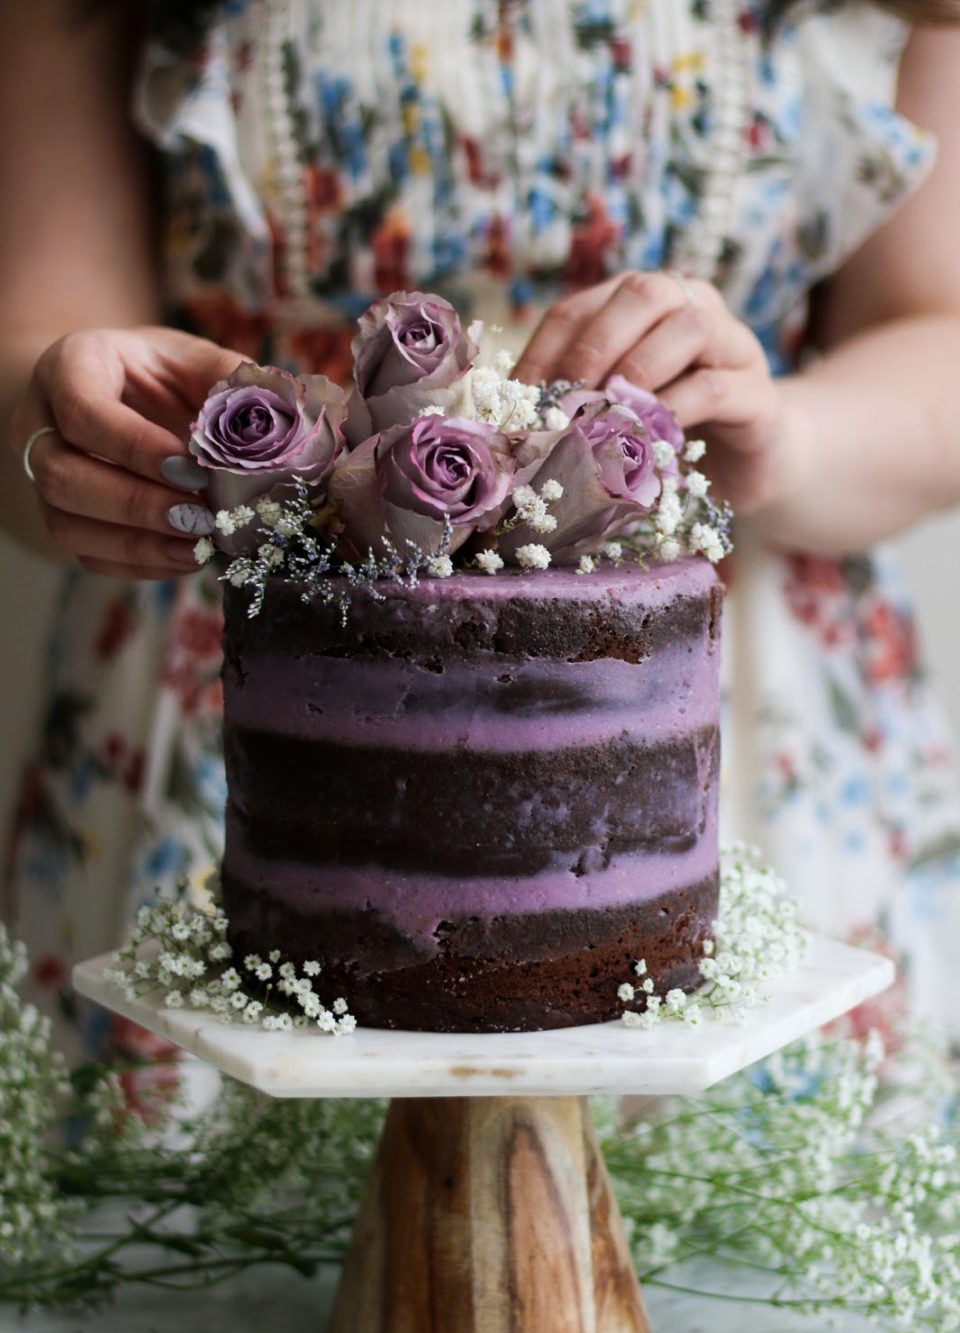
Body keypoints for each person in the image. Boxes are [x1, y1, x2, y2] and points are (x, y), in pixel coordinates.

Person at [3, 0, 960, 1067]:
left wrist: (785, 436)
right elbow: (40, 331)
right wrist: (68, 429)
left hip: (744, 718)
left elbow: (937, 334)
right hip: (234, 700)